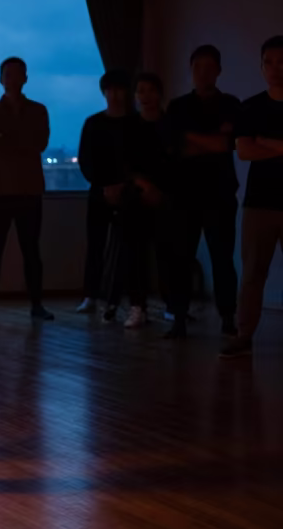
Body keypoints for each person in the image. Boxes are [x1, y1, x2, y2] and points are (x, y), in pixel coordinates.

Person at [164, 45, 240, 339]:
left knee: (222, 258)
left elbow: (227, 145)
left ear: (219, 71)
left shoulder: (231, 104)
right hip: (184, 195)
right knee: (180, 259)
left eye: (209, 68)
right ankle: (179, 318)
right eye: (198, 67)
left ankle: (227, 317)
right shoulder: (178, 106)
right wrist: (212, 139)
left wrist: (190, 138)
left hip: (219, 194)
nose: (203, 73)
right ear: (191, 70)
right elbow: (174, 147)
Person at [0, 56, 54, 322]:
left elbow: (39, 143)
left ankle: (34, 305)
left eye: (17, 74)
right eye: (8, 74)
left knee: (31, 250)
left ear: (25, 78)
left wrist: (6, 136)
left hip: (26, 189)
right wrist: (20, 138)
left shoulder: (36, 111)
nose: (13, 78)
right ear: (1, 79)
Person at [220, 36, 283, 359]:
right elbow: (243, 150)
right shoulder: (252, 107)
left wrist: (268, 144)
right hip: (260, 202)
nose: (275, 69)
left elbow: (253, 147)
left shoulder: (252, 110)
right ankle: (244, 333)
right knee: (253, 272)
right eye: (269, 62)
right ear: (261, 66)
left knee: (253, 272)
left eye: (281, 61)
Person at [76, 69, 136, 320]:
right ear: (104, 93)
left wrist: (122, 185)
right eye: (110, 90)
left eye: (119, 89)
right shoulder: (93, 123)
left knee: (129, 247)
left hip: (129, 192)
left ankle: (126, 297)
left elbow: (138, 159)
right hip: (99, 190)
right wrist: (103, 185)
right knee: (96, 245)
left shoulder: (135, 123)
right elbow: (86, 160)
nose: (114, 95)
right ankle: (92, 294)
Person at [121, 72, 172, 329]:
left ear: (160, 93)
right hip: (136, 198)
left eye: (150, 90)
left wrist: (160, 189)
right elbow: (125, 164)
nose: (145, 96)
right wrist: (145, 186)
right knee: (136, 254)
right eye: (140, 91)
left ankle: (172, 305)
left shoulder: (170, 125)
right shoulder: (130, 127)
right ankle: (137, 306)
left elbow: (176, 161)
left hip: (167, 197)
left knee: (168, 253)